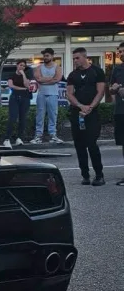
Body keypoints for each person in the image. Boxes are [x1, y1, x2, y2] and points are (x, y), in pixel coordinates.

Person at [66, 48, 106, 186]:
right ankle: (85, 175)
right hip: (77, 113)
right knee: (79, 145)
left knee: (92, 144)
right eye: (74, 58)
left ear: (84, 57)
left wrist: (90, 107)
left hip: (92, 114)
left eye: (77, 58)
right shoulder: (72, 75)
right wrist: (80, 106)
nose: (75, 60)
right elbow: (69, 94)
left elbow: (100, 92)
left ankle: (99, 175)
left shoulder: (96, 71)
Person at [32, 48, 63, 144]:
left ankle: (53, 135)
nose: (45, 57)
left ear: (52, 56)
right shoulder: (39, 67)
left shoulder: (57, 67)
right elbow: (38, 79)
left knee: (53, 115)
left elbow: (57, 79)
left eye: (47, 56)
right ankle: (38, 136)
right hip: (41, 95)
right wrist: (50, 79)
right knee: (39, 115)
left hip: (53, 94)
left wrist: (44, 79)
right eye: (44, 56)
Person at [3, 60, 32, 149]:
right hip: (15, 98)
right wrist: (22, 89)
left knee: (23, 119)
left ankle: (19, 138)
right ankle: (6, 139)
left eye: (24, 66)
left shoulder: (27, 75)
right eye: (21, 65)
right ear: (17, 65)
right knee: (13, 118)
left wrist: (23, 74)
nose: (22, 67)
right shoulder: (11, 75)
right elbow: (11, 85)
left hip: (25, 98)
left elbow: (27, 85)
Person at [109, 41, 124, 186]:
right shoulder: (117, 69)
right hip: (120, 111)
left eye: (123, 51)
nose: (121, 54)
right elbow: (111, 88)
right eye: (120, 51)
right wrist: (113, 89)